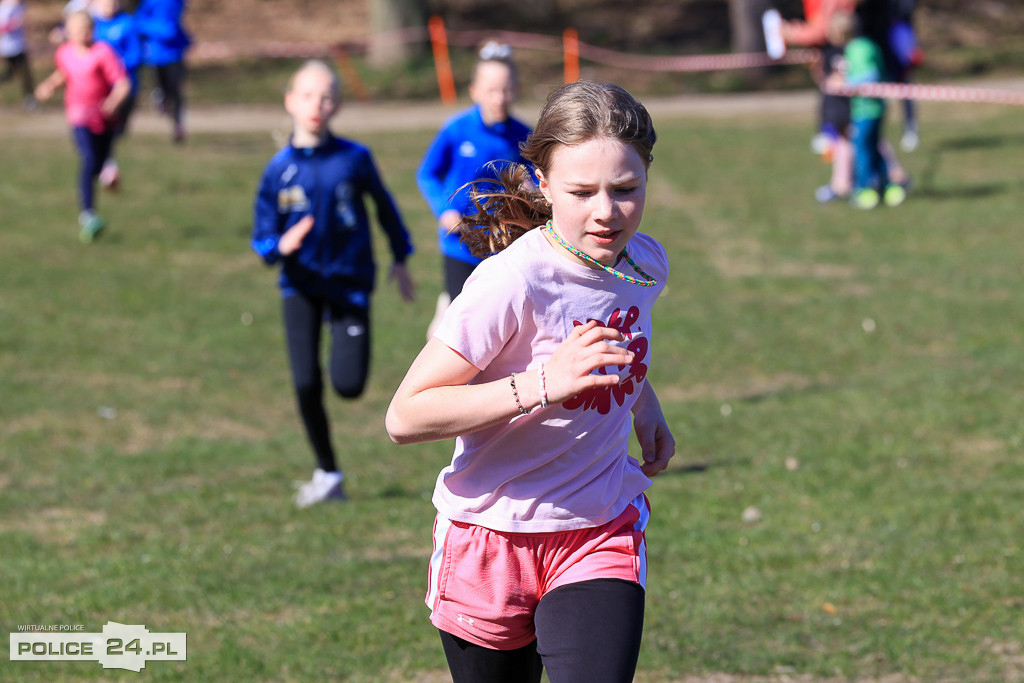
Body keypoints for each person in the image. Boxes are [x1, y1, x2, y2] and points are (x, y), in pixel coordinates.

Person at [386, 80, 675, 682]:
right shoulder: (510, 282)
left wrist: (644, 409)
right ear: (543, 184)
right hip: (492, 536)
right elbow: (405, 415)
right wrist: (543, 382)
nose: (606, 212)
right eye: (581, 191)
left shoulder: (644, 263)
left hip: (598, 526)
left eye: (626, 190)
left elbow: (616, 343)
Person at [251, 60, 416, 508]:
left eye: (326, 96)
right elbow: (262, 237)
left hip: (349, 285)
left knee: (348, 385)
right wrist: (278, 246)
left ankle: (330, 469)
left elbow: (384, 208)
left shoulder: (354, 158)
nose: (316, 105)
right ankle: (327, 473)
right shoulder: (278, 169)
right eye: (307, 95)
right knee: (305, 383)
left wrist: (401, 259)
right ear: (290, 102)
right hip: (300, 285)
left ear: (337, 104)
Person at [416, 40, 532, 339]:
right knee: (463, 327)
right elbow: (427, 173)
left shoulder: (524, 136)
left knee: (494, 324)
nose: (500, 97)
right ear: (474, 91)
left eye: (506, 89)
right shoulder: (456, 129)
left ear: (516, 89)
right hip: (458, 242)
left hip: (501, 242)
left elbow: (535, 182)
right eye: (492, 90)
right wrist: (445, 210)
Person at [34, 9, 130, 242]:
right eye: (77, 30)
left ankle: (108, 171)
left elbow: (122, 84)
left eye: (86, 30)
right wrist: (49, 86)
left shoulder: (103, 52)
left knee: (97, 161)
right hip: (79, 117)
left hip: (104, 118)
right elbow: (63, 74)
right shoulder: (65, 53)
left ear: (93, 30)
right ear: (68, 32)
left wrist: (113, 101)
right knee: (88, 160)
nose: (82, 34)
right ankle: (88, 215)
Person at [827, 10, 906, 209]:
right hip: (869, 108)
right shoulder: (865, 45)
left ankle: (864, 190)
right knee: (874, 147)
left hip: (867, 110)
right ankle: (888, 187)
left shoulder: (858, 49)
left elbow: (870, 75)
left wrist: (845, 83)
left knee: (862, 149)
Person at [92, 0, 140, 189]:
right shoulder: (92, 24)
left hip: (124, 87)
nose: (109, 5)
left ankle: (105, 164)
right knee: (104, 128)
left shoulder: (128, 23)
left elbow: (136, 55)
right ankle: (107, 168)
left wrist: (112, 66)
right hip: (101, 89)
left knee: (118, 132)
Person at [134, 0, 189, 143]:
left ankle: (178, 125)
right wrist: (160, 30)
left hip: (175, 53)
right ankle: (161, 100)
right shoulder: (149, 2)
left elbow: (176, 20)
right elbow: (139, 22)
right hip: (156, 55)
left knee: (176, 90)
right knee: (162, 91)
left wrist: (182, 36)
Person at [0, 0, 36, 110]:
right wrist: (12, 25)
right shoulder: (3, 8)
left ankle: (30, 100)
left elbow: (25, 24)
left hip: (20, 47)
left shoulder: (21, 6)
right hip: (7, 49)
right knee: (10, 74)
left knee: (26, 75)